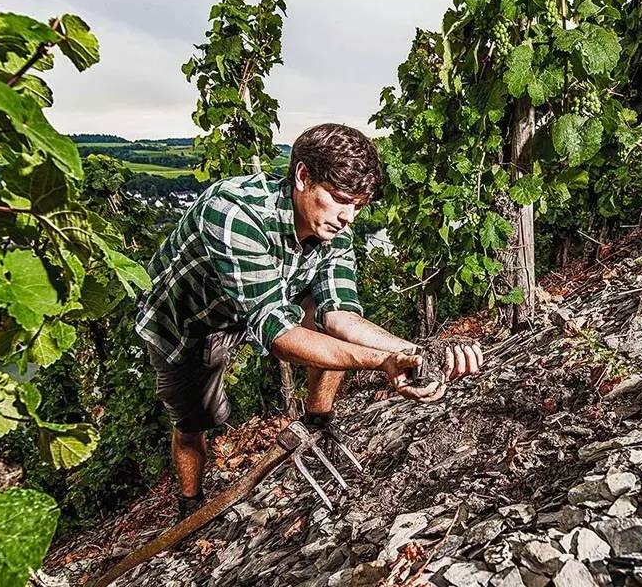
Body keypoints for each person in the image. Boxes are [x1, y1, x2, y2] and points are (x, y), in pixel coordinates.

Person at [135, 123, 484, 517]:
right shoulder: (234, 211)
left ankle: (317, 422)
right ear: (303, 176)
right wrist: (378, 362)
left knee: (319, 316)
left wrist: (416, 353)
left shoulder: (334, 229)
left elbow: (340, 317)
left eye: (358, 205)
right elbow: (277, 332)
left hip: (270, 294)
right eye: (338, 199)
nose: (348, 217)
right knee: (195, 419)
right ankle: (190, 502)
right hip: (193, 322)